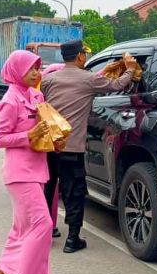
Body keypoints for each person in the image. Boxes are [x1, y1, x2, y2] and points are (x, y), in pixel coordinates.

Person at [41, 40, 138, 252]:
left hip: (49, 146)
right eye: (83, 54)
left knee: (48, 189)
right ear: (79, 57)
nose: (85, 57)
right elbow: (117, 85)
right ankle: (72, 239)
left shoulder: (48, 80)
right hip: (73, 148)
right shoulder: (89, 79)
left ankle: (44, 231)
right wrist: (130, 69)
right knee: (73, 192)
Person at [0, 50, 54, 274]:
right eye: (32, 69)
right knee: (43, 224)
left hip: (37, 169)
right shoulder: (10, 100)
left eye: (38, 68)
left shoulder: (36, 95)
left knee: (22, 227)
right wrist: (28, 135)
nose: (37, 73)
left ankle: (1, 271)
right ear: (17, 71)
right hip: (19, 173)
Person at [40, 63, 66, 238]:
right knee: (47, 187)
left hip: (54, 145)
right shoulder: (36, 97)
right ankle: (44, 226)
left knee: (52, 188)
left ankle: (51, 224)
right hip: (41, 148)